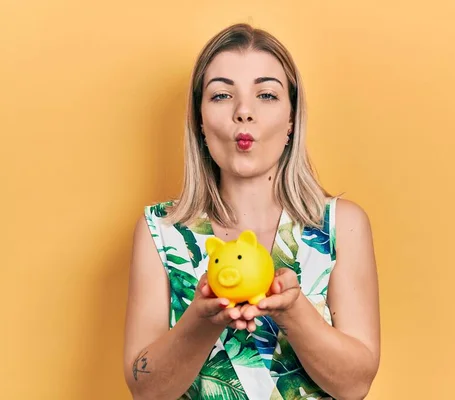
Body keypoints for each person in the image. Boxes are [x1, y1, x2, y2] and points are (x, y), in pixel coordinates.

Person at [123, 23, 380, 400]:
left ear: (292, 118)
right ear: (199, 119)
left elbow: (355, 385)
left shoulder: (343, 225)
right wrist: (201, 320)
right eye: (223, 95)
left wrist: (292, 312)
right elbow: (144, 390)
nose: (244, 112)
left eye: (266, 95)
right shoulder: (160, 231)